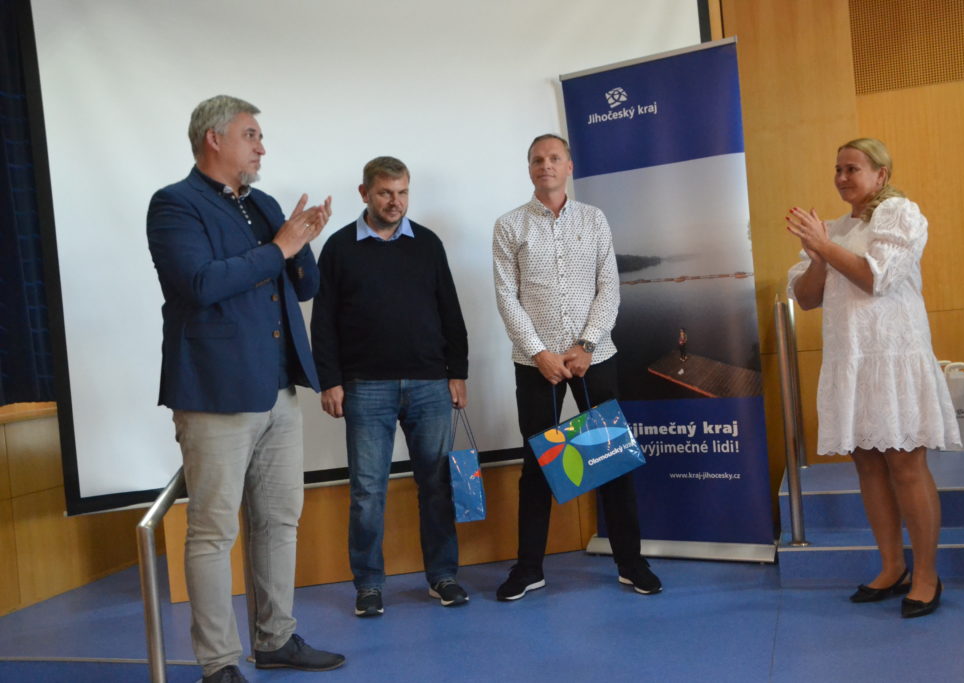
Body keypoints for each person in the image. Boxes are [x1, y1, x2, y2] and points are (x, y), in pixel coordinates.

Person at [146, 95, 345, 682]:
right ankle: (218, 663)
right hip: (214, 392)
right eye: (251, 135)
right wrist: (279, 246)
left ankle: (276, 639)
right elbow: (199, 284)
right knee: (214, 531)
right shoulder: (174, 204)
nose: (262, 147)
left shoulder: (264, 204)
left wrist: (302, 242)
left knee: (280, 521)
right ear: (215, 139)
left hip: (279, 388)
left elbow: (304, 287)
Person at [786, 137, 960, 619]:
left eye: (853, 168)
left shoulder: (900, 213)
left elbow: (875, 277)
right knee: (867, 466)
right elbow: (807, 298)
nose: (842, 177)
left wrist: (823, 245)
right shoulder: (835, 228)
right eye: (838, 169)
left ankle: (926, 575)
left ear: (881, 175)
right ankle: (891, 566)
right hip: (852, 361)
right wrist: (818, 257)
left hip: (894, 356)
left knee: (906, 466)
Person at [491, 134, 661, 600]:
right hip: (536, 364)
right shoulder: (509, 226)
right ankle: (529, 568)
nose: (545, 165)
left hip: (594, 358)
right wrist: (539, 352)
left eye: (553, 158)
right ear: (529, 169)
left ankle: (631, 563)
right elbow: (507, 297)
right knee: (536, 466)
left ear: (569, 166)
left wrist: (586, 344)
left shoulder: (594, 219)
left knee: (612, 460)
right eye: (536, 160)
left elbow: (610, 288)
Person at [311, 156, 470, 618]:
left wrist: (457, 372)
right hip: (366, 387)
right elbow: (323, 323)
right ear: (364, 193)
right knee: (367, 491)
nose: (395, 202)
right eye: (385, 193)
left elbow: (450, 310)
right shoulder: (339, 248)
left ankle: (443, 577)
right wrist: (329, 381)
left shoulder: (428, 243)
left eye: (402, 193)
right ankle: (368, 585)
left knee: (436, 485)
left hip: (430, 384)